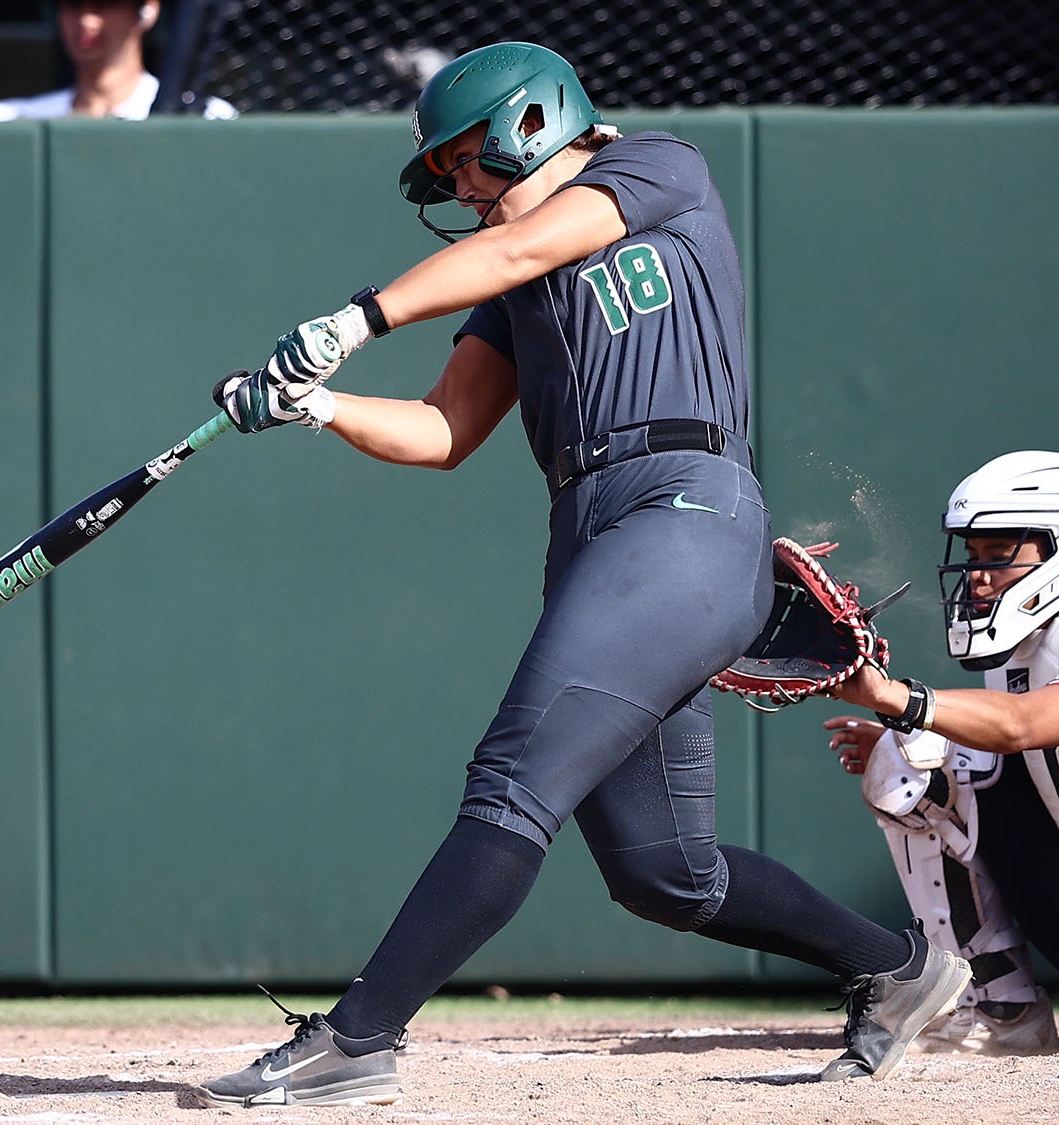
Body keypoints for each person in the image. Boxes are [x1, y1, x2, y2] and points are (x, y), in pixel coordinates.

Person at [193, 41, 972, 1108]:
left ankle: (360, 1037)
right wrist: (316, 407)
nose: (458, 190)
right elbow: (440, 429)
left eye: (467, 163)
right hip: (596, 535)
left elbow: (525, 251)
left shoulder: (654, 168)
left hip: (682, 511)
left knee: (513, 778)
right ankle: (899, 970)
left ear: (532, 124)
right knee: (662, 873)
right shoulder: (503, 273)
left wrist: (350, 320)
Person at [825, 451, 1059, 1057]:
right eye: (974, 556)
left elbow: (1022, 727)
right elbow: (999, 749)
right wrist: (901, 731)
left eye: (999, 554)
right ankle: (997, 1006)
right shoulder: (1023, 651)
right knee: (908, 763)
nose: (978, 576)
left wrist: (897, 698)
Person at [0, 0, 236, 122]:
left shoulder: (208, 118)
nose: (86, 21)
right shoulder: (9, 118)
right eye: (73, 5)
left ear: (147, 10)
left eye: (104, 4)